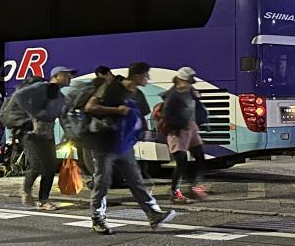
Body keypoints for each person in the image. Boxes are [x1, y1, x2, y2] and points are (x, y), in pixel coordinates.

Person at [84, 61, 176, 234]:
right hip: (105, 143)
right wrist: (117, 110)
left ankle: (153, 214)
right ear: (137, 75)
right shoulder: (111, 88)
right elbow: (90, 107)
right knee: (102, 182)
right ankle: (97, 218)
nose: (148, 78)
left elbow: (140, 117)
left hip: (125, 144)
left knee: (136, 181)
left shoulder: (138, 94)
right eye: (146, 75)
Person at [18, 66, 76, 210]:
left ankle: (44, 201)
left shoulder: (62, 98)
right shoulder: (41, 87)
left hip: (47, 136)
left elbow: (64, 119)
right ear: (56, 76)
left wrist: (70, 135)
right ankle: (25, 190)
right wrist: (34, 113)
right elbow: (20, 96)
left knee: (50, 168)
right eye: (66, 75)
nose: (70, 78)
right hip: (31, 134)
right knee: (37, 165)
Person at [161, 66, 209, 203]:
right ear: (180, 80)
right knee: (181, 162)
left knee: (200, 158)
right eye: (188, 81)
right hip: (177, 132)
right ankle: (175, 193)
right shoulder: (171, 95)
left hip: (191, 129)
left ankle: (194, 187)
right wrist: (180, 124)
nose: (190, 84)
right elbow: (167, 117)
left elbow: (196, 106)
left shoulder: (190, 91)